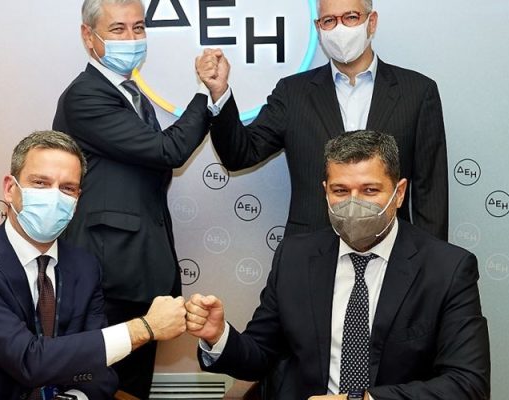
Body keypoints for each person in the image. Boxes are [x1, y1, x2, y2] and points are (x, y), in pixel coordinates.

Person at [186, 131, 490, 399]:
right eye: (341, 191)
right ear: (326, 191)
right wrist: (218, 335)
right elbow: (261, 355)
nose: (353, 203)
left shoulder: (447, 269)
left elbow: (468, 384)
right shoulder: (295, 256)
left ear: (398, 193)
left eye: (370, 190)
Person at [0, 131, 187, 400]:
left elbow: (100, 365)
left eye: (67, 188)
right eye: (40, 183)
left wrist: (74, 398)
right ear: (10, 189)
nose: (54, 197)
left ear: (77, 199)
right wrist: (144, 328)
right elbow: (28, 360)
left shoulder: (85, 266)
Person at [51, 1, 225, 397]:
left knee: (131, 386)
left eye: (139, 28)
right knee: (100, 385)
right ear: (88, 36)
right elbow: (167, 151)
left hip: (136, 272)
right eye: (118, 29)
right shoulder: (86, 96)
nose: (131, 39)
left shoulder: (129, 94)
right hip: (107, 276)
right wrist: (204, 93)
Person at [200, 0, 449, 240]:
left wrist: (431, 261)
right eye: (329, 21)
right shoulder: (292, 93)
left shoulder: (417, 92)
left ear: (371, 22)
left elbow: (431, 191)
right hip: (311, 250)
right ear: (318, 28)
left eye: (351, 17)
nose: (339, 28)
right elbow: (240, 155)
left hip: (392, 250)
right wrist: (220, 94)